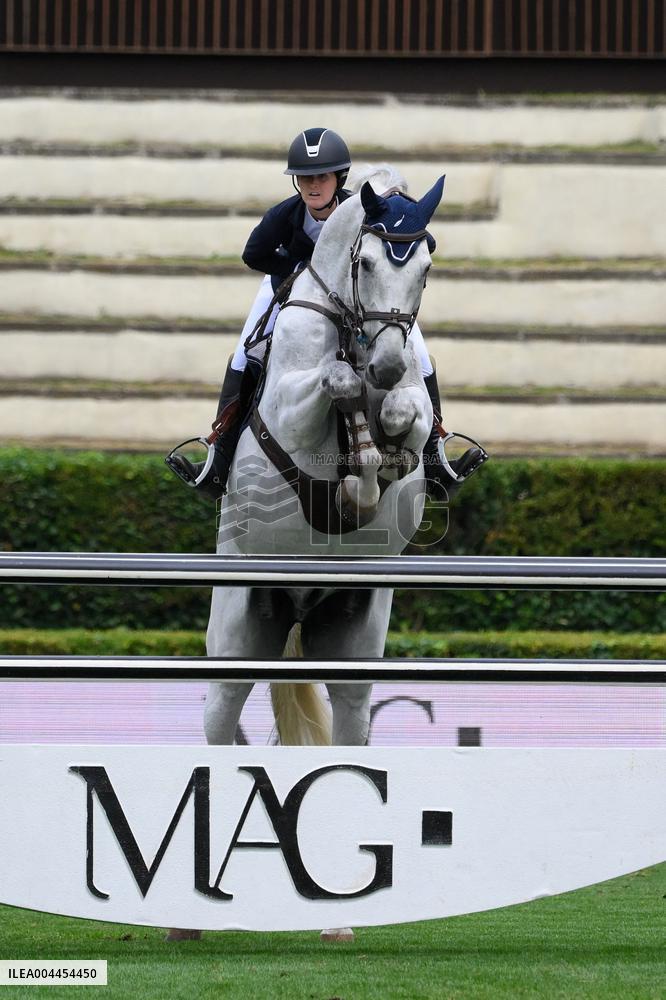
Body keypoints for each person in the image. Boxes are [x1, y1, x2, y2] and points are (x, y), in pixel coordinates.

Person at [165, 127, 486, 501]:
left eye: (322, 177)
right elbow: (253, 254)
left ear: (339, 179)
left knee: (417, 351)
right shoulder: (285, 214)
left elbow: (416, 240)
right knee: (244, 352)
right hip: (288, 290)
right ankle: (219, 453)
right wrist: (301, 271)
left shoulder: (360, 209)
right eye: (305, 178)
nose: (313, 186)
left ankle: (436, 454)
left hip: (355, 300)